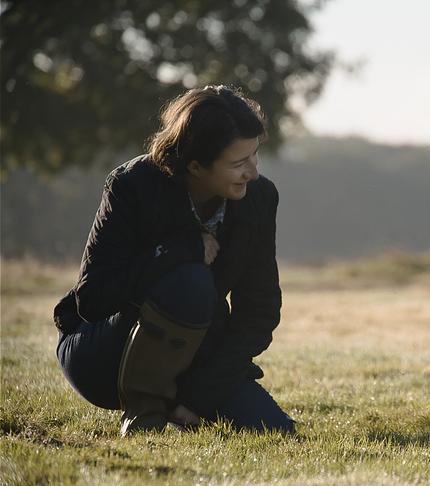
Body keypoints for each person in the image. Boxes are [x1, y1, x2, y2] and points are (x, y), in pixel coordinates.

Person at [53, 85, 295, 436]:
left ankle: (179, 403)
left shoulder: (259, 197)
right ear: (195, 165)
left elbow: (259, 311)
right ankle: (145, 409)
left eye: (254, 155)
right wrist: (180, 250)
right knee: (191, 282)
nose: (253, 172)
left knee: (274, 429)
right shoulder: (131, 185)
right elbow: (94, 299)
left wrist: (200, 397)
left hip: (196, 353)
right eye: (238, 163)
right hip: (103, 354)